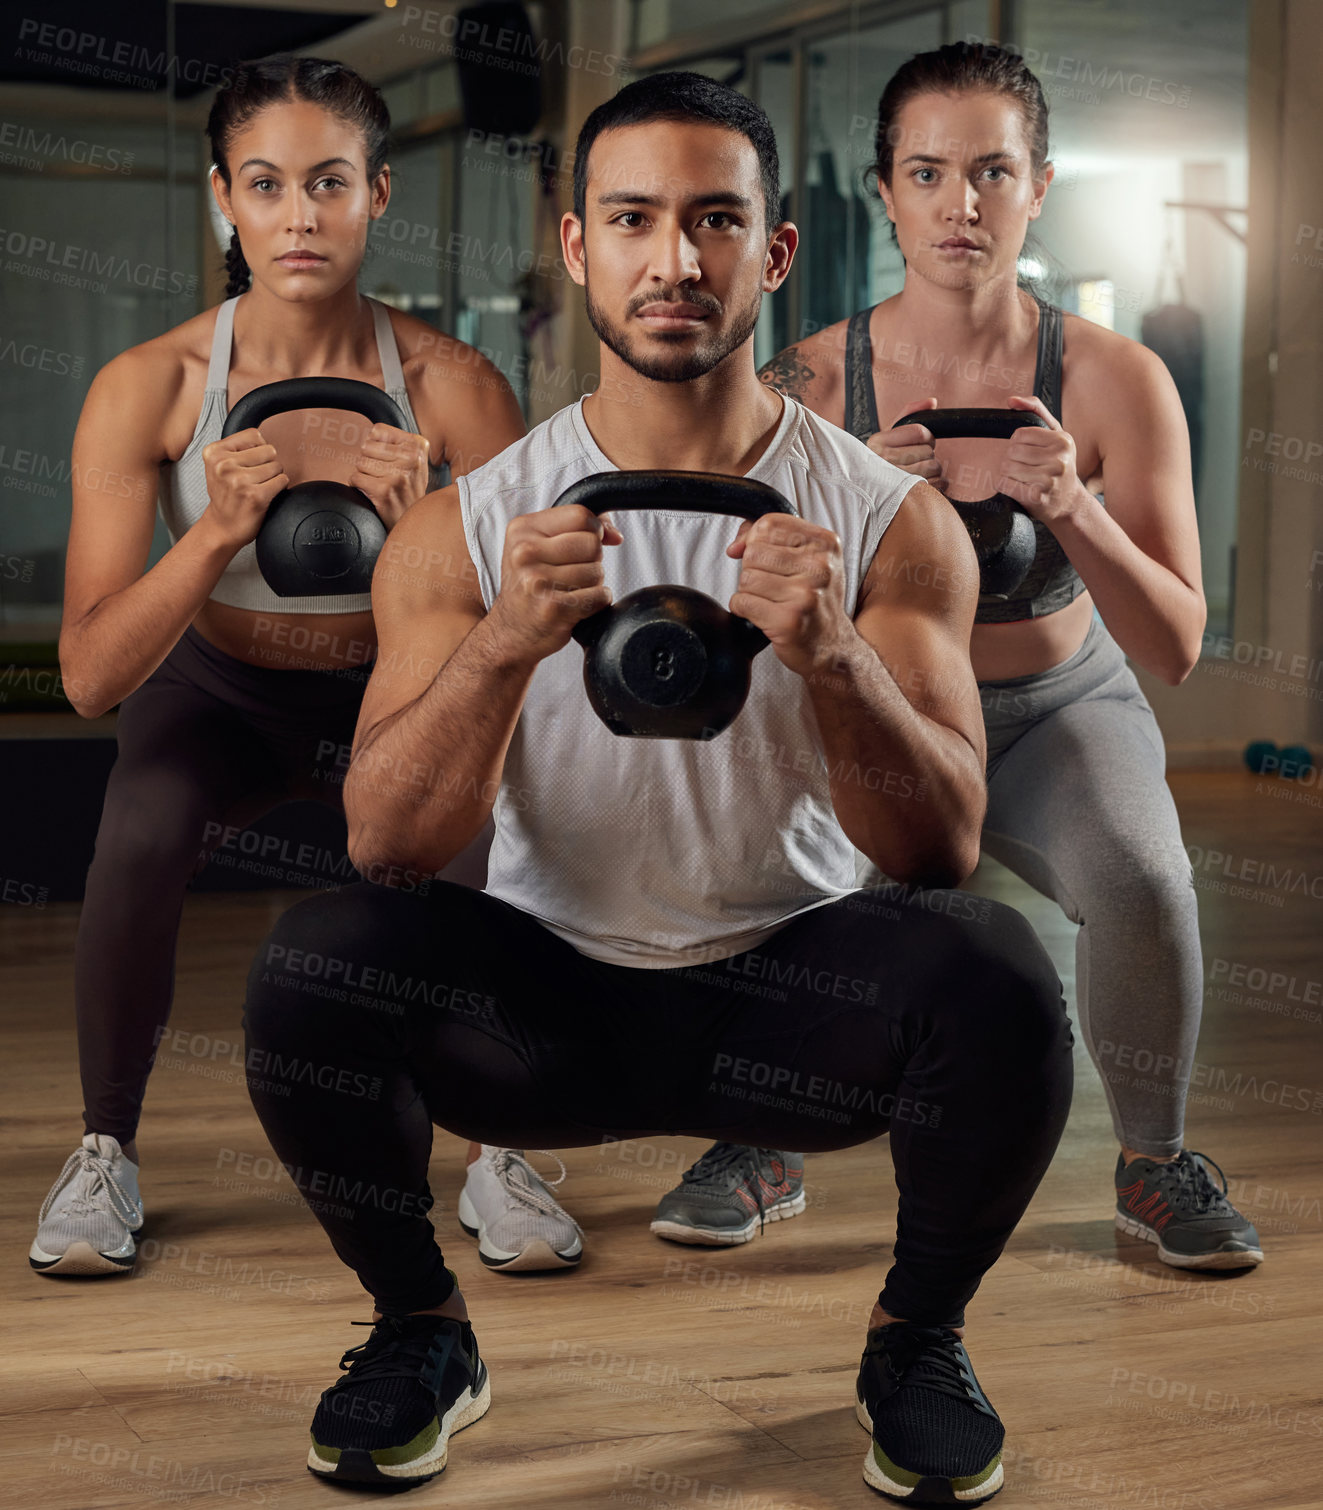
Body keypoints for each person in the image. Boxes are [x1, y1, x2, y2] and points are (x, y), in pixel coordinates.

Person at [241, 71, 1074, 1506]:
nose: (672, 261)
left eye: (711, 222)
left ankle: (915, 1342)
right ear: (577, 247)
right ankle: (420, 1328)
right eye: (631, 220)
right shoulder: (466, 524)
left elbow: (936, 845)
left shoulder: (889, 523)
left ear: (774, 252)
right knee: (316, 960)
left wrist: (830, 660)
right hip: (540, 1015)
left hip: (794, 1010)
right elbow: (388, 837)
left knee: (996, 968)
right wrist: (507, 638)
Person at [758, 40, 1260, 1272]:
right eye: (927, 172)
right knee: (783, 883)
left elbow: (1178, 645)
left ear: (1040, 186)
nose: (960, 203)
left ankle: (1152, 1158)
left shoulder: (1116, 379)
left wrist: (1075, 511)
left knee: (1143, 878)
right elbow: (756, 619)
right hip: (879, 703)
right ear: (884, 191)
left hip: (1056, 705)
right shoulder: (810, 382)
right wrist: (868, 503)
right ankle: (753, 1135)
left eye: (992, 171)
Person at [30, 55, 524, 1279]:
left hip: (391, 687)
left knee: (490, 832)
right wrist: (209, 532)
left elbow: (531, 642)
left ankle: (496, 1151)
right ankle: (104, 1151)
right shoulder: (149, 388)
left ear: (378, 196)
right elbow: (92, 677)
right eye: (266, 184)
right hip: (222, 697)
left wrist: (427, 530)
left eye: (329, 182)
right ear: (223, 200)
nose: (299, 215)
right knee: (140, 821)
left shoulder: (456, 389)